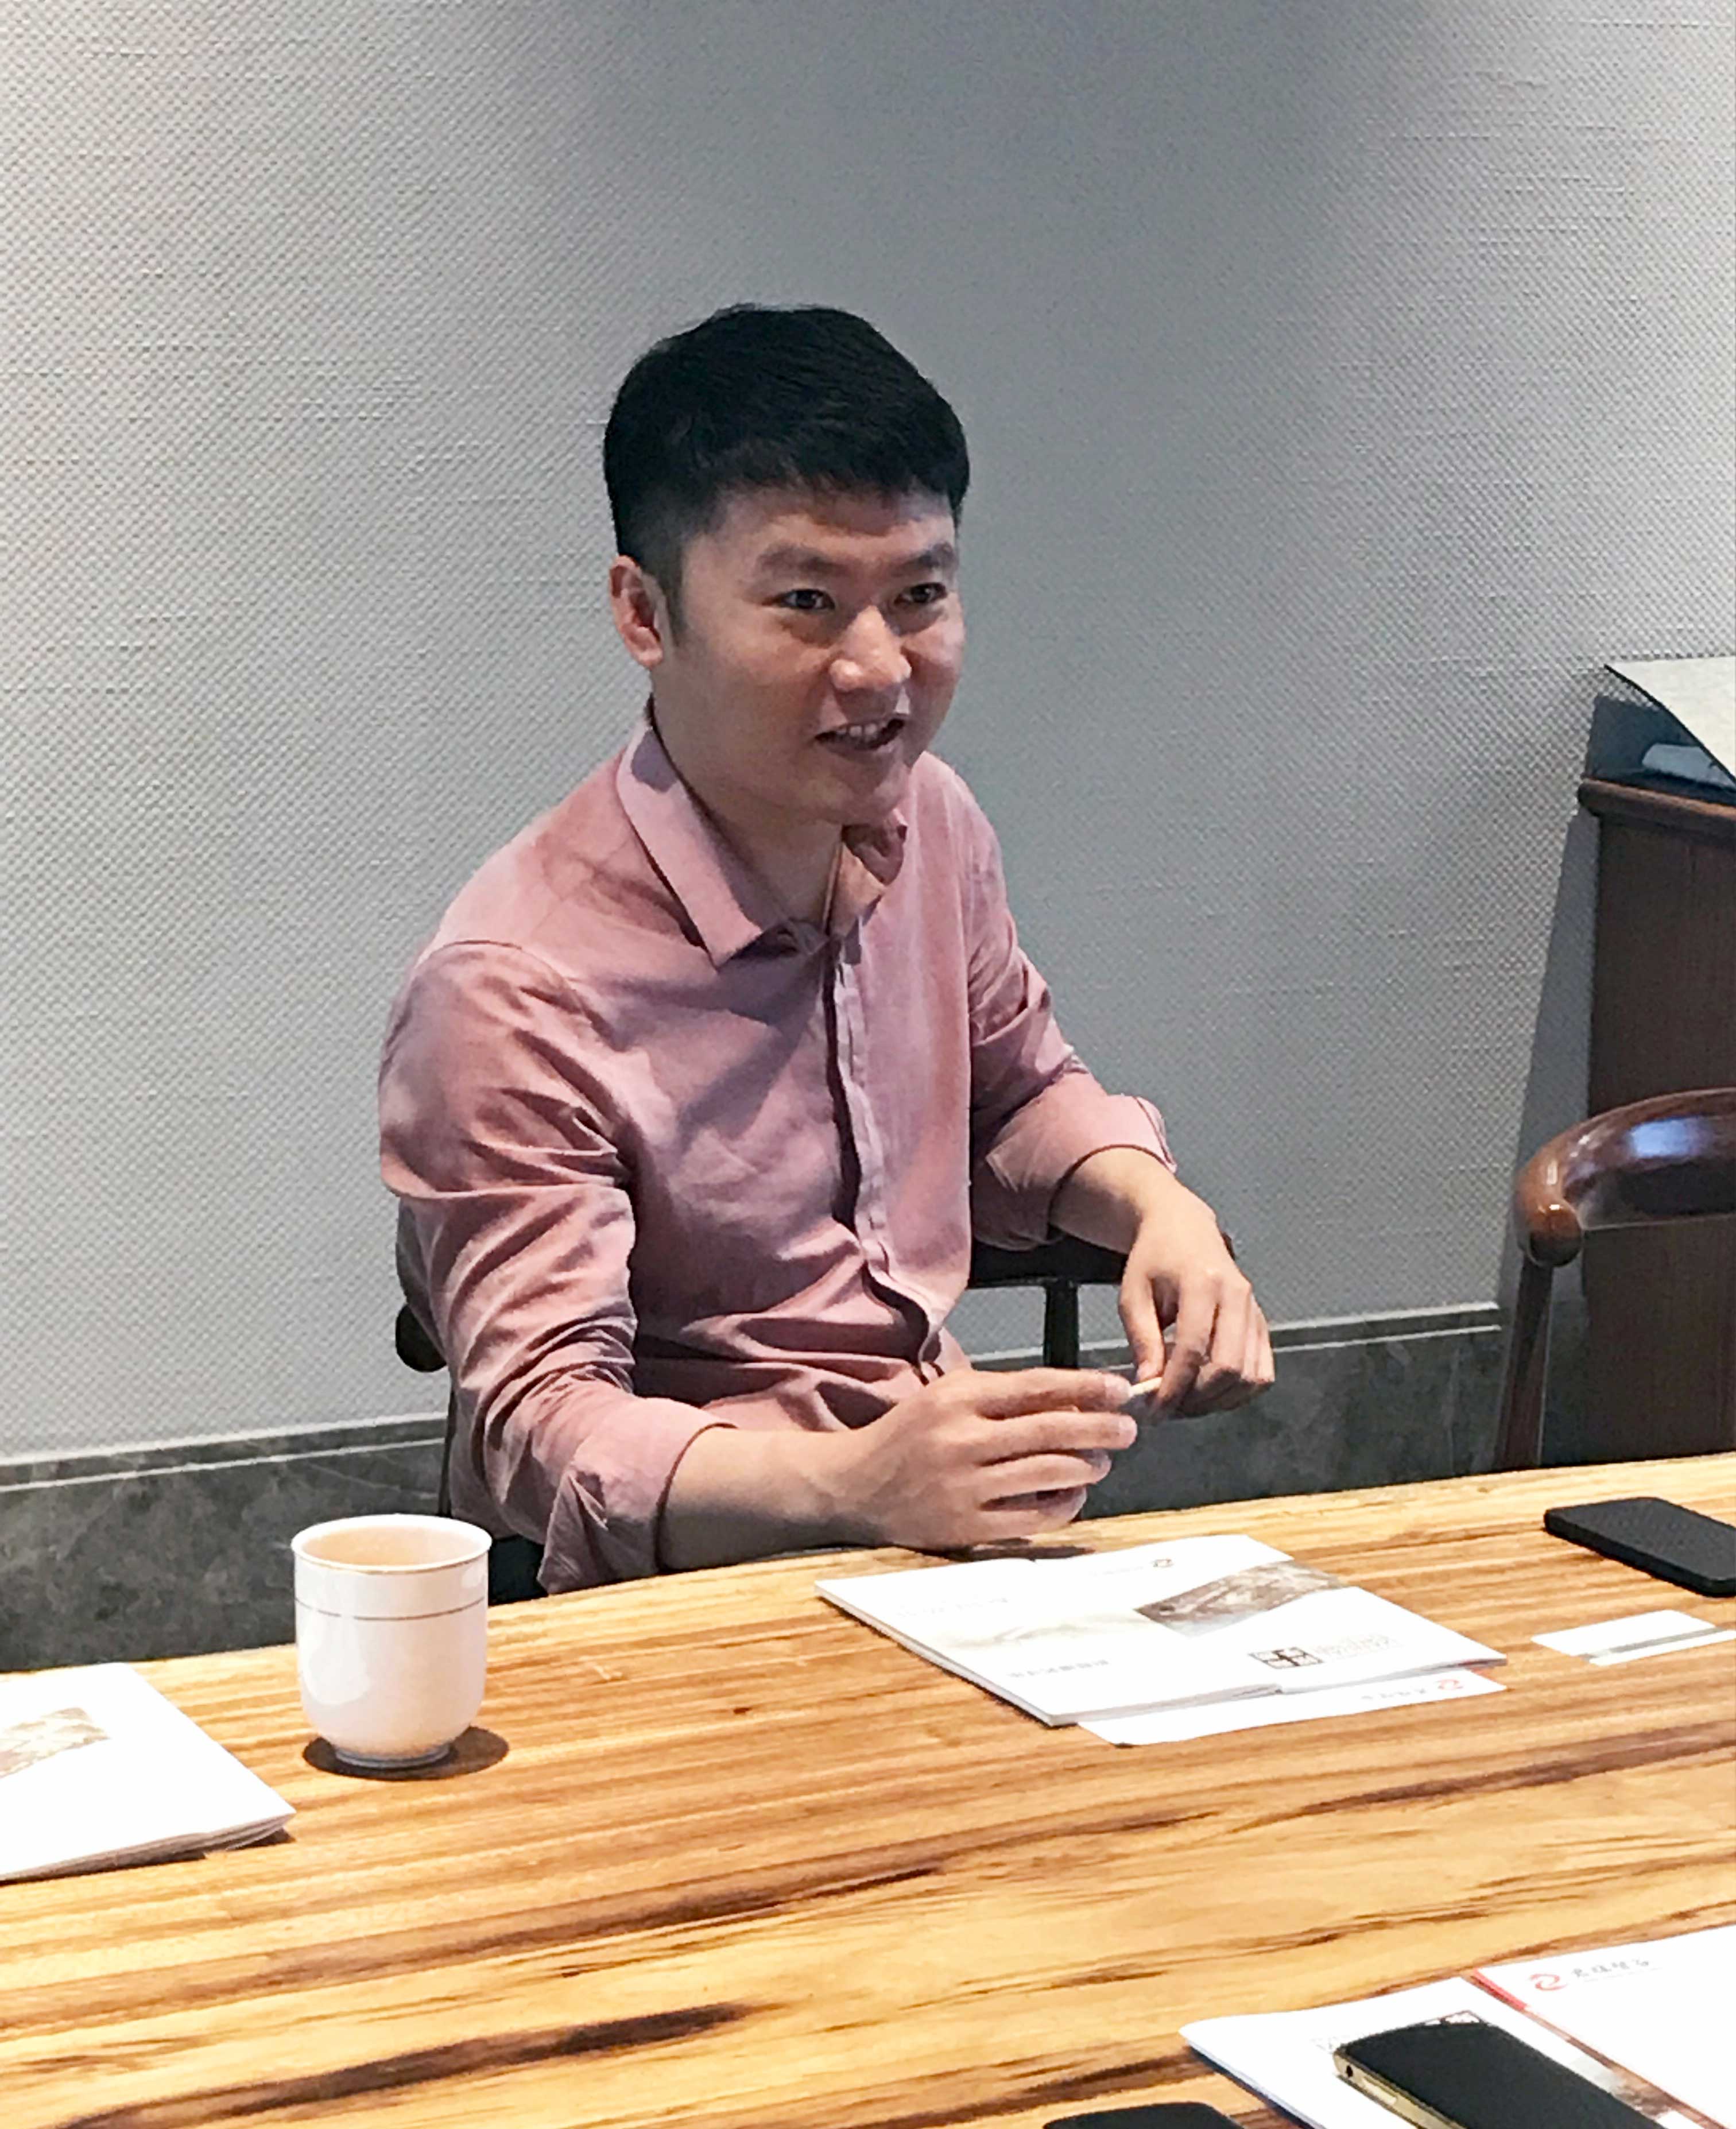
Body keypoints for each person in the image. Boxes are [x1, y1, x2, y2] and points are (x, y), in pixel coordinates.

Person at [379, 303, 1272, 1596]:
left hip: (932, 1537)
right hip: (669, 1591)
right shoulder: (512, 986)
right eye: (807, 603)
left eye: (920, 597)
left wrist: (1161, 1210)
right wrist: (851, 1486)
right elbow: (541, 1426)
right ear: (644, 612)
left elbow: (1018, 1092)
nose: (877, 668)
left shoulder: (930, 822)